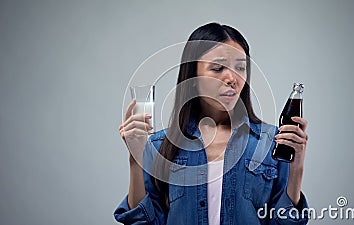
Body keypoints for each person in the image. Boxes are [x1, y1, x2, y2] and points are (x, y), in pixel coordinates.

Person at [115, 22, 309, 225]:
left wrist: (296, 168)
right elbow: (142, 222)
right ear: (193, 76)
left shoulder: (271, 142)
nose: (232, 78)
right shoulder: (160, 145)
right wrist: (136, 158)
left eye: (241, 68)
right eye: (217, 68)